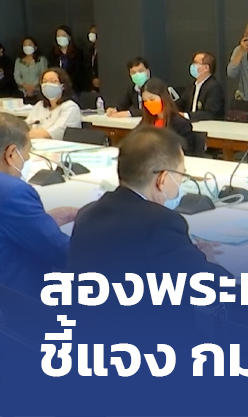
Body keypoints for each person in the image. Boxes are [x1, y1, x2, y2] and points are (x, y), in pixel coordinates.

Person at [68, 126, 227, 336]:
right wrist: (207, 260)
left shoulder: (88, 213)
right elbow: (212, 288)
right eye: (181, 175)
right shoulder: (161, 223)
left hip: (90, 337)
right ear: (163, 179)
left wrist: (185, 253)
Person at [0, 113, 76, 297]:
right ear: (11, 154)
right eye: (26, 154)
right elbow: (60, 253)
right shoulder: (13, 192)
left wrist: (43, 220)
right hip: (19, 297)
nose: (26, 160)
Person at [141, 77, 195, 154]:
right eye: (145, 101)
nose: (148, 103)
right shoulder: (145, 122)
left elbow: (186, 151)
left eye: (152, 99)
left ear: (163, 98)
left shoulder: (181, 124)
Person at [25, 68, 81, 140]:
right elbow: (25, 126)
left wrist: (25, 134)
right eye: (44, 82)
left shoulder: (70, 107)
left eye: (53, 81)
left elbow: (56, 132)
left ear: (63, 86)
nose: (47, 85)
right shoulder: (39, 105)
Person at [177, 52, 225, 121]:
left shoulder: (214, 87)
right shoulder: (193, 85)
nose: (192, 65)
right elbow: (182, 103)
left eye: (195, 62)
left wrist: (186, 115)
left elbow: (210, 113)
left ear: (206, 68)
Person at [49, 25, 85, 93]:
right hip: (57, 87)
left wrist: (67, 82)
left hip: (74, 87)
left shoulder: (77, 53)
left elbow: (78, 71)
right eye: (58, 36)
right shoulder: (52, 53)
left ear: (69, 37)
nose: (61, 38)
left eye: (63, 35)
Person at [14, 37, 48, 103]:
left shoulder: (41, 60)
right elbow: (16, 76)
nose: (27, 47)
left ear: (35, 47)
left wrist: (33, 87)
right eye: (25, 45)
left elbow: (43, 74)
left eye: (29, 44)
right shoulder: (18, 61)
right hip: (22, 92)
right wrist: (25, 86)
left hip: (38, 91)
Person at [86, 24, 99, 91]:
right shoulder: (91, 50)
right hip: (92, 84)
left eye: (94, 32)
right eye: (90, 32)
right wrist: (93, 78)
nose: (91, 35)